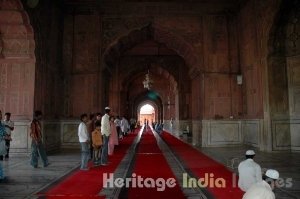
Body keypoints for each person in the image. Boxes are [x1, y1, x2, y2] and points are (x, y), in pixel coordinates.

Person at [0, 110, 8, 182]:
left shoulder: (1, 123)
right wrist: (4, 137)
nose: (0, 116)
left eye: (0, 114)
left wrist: (7, 136)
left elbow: (4, 132)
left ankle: (1, 176)